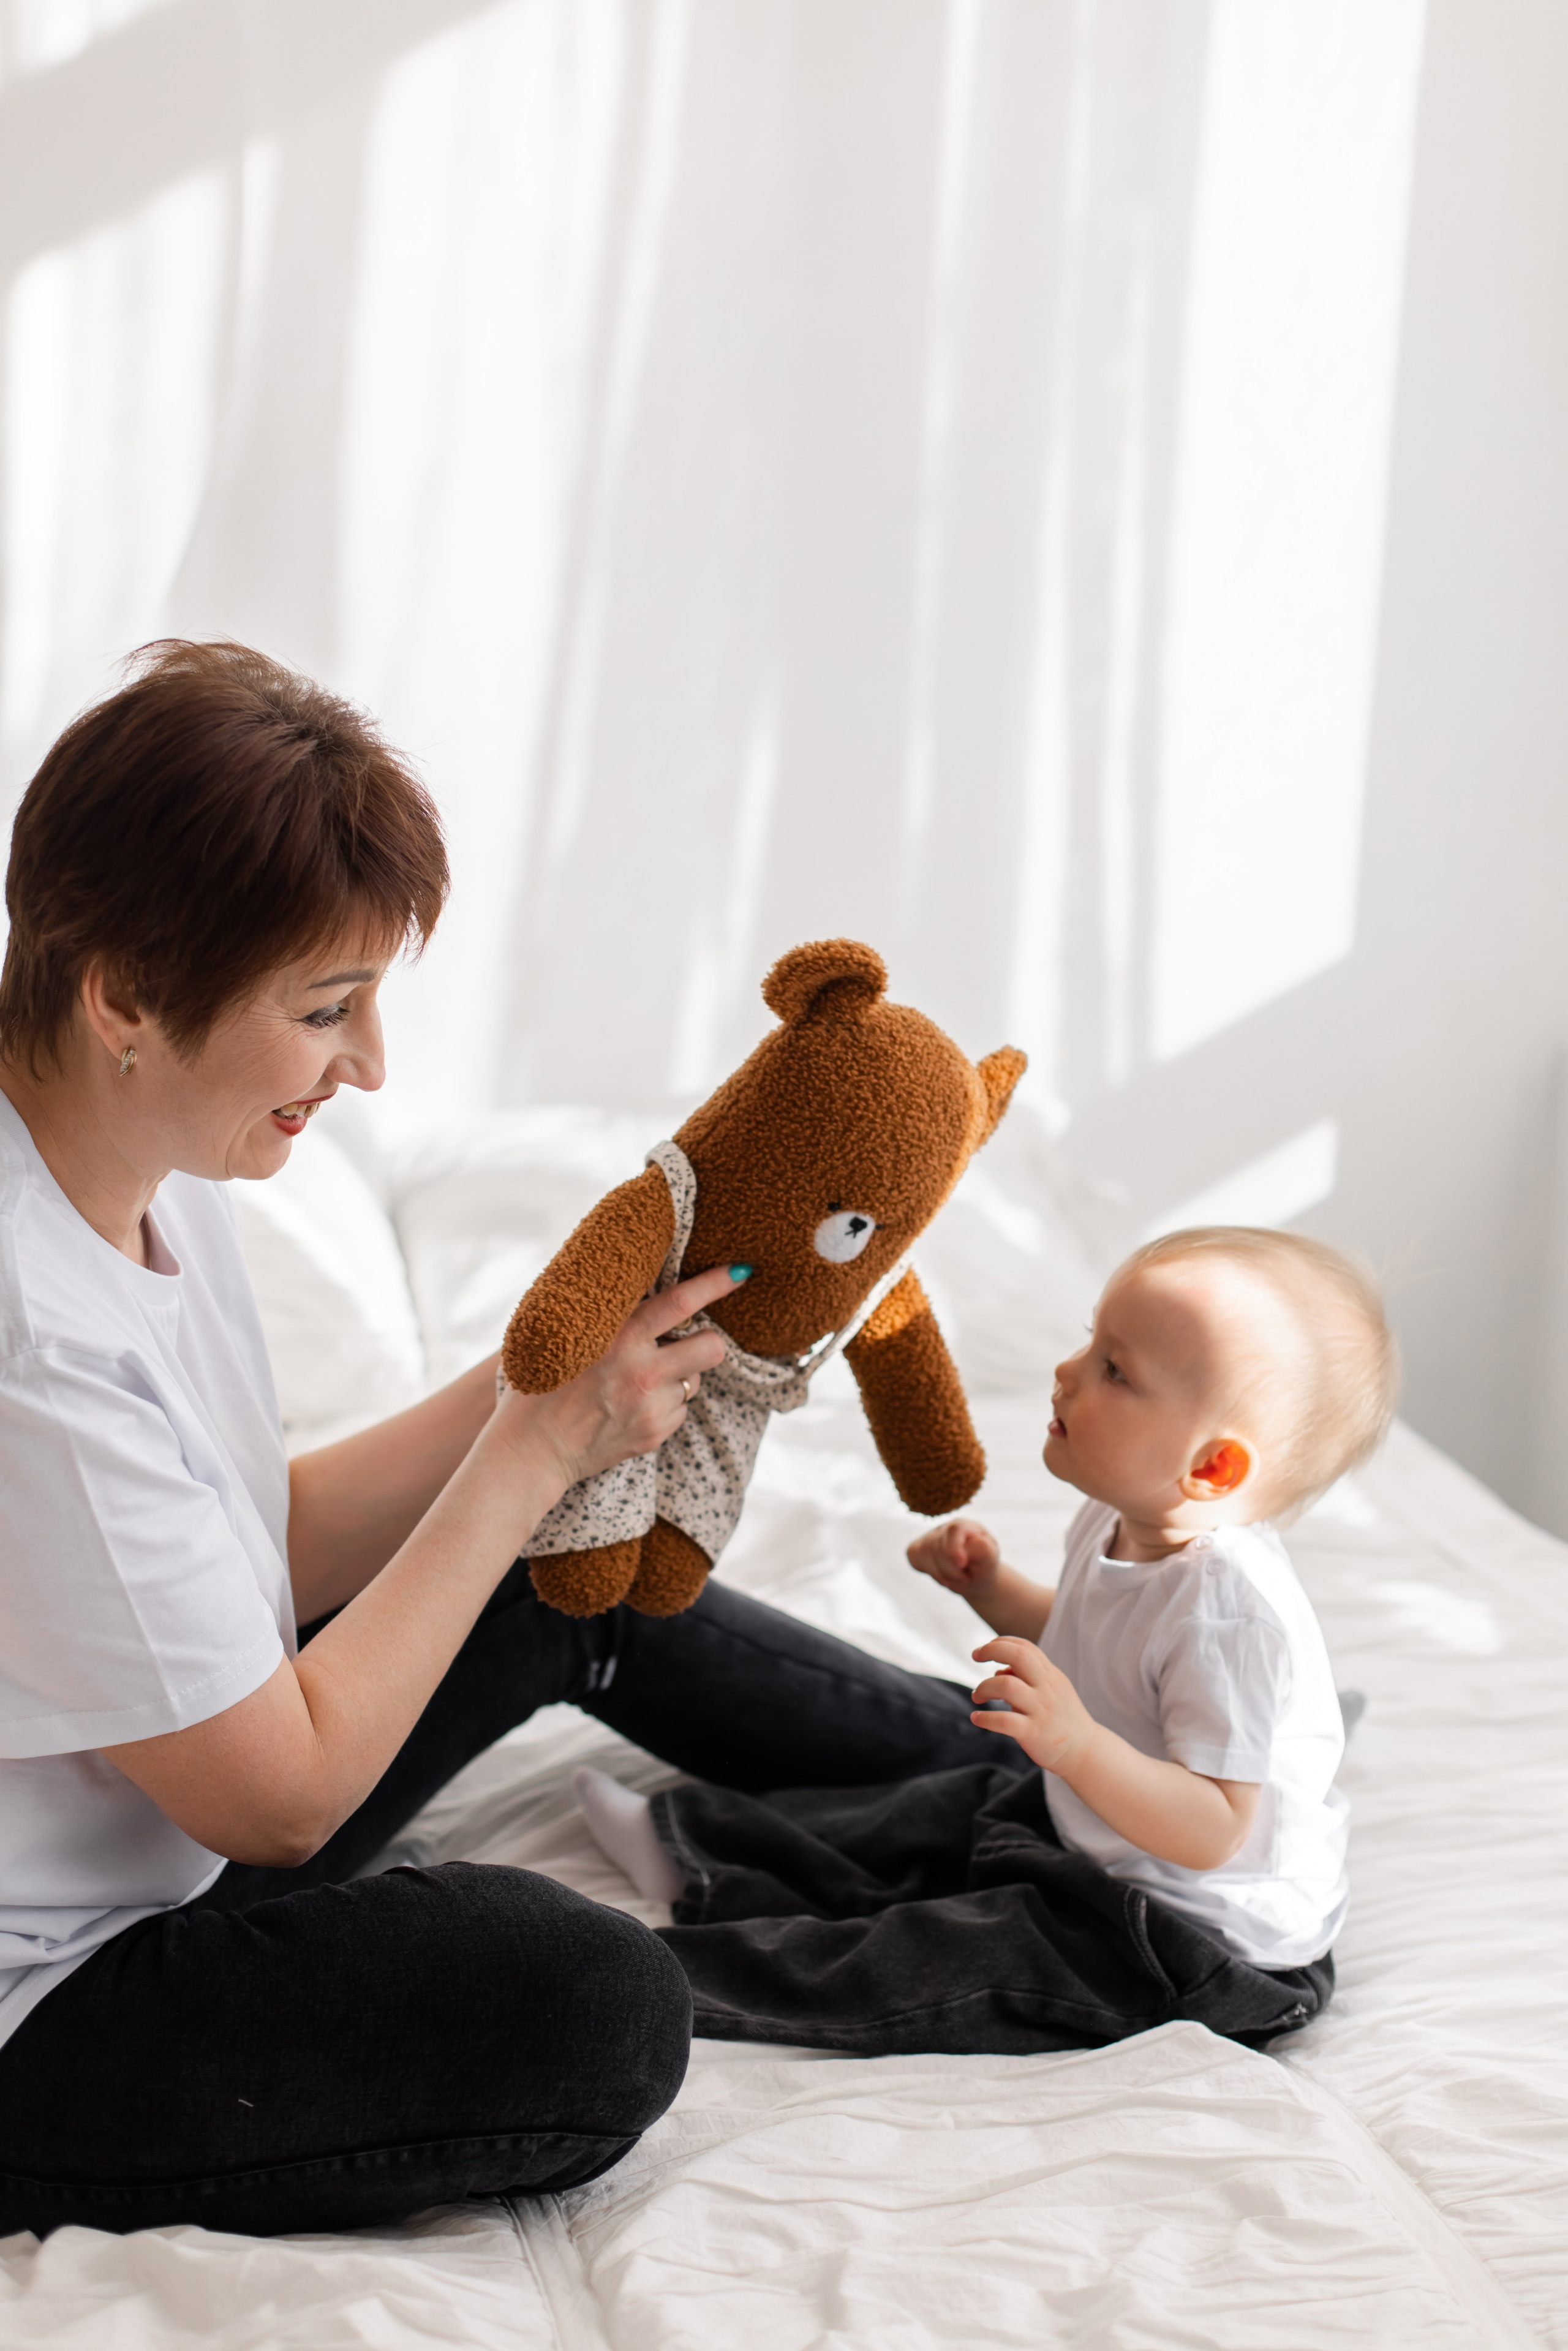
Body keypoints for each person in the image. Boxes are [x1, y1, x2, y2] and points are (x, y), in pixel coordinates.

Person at [0, 639, 1041, 2242]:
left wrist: (552, 1386)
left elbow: (248, 1542)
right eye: (326, 1008)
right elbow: (278, 1802)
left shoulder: (146, 1159)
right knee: (594, 2000)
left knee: (572, 1562)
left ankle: (1064, 1768)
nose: (371, 1063)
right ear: (126, 994)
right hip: (51, 1992)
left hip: (177, 1805)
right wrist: (533, 1451)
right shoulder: (33, 1346)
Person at [576, 1227, 1399, 2056]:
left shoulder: (1229, 1617)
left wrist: (1077, 1748)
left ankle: (641, 1977)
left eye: (1115, 1370)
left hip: (1197, 1946)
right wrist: (991, 1589)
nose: (1067, 1371)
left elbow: (1214, 1827)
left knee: (936, 1955)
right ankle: (687, 1848)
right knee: (932, 1812)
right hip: (1107, 1846)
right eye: (1091, 1340)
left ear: (1212, 1469)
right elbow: (1093, 1643)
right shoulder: (1123, 1516)